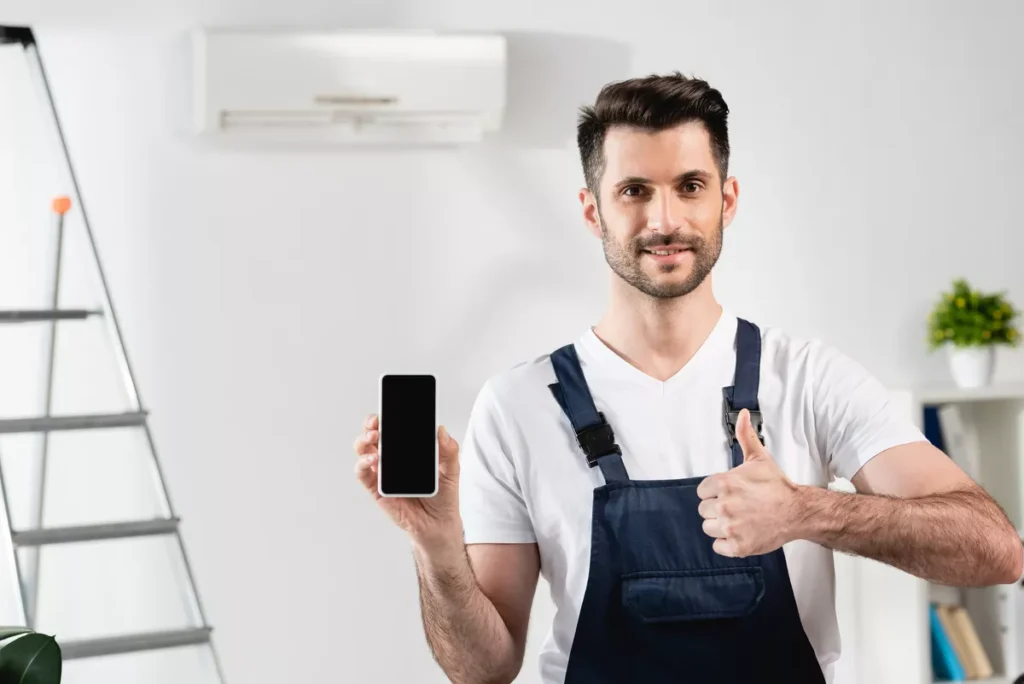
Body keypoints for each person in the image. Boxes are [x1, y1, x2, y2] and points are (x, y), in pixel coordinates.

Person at [353, 72, 1024, 684]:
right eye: (634, 191)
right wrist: (437, 543)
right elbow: (483, 669)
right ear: (594, 211)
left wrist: (808, 512)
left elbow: (997, 552)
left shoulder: (811, 378)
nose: (665, 220)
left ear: (726, 200)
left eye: (690, 187)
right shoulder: (519, 405)